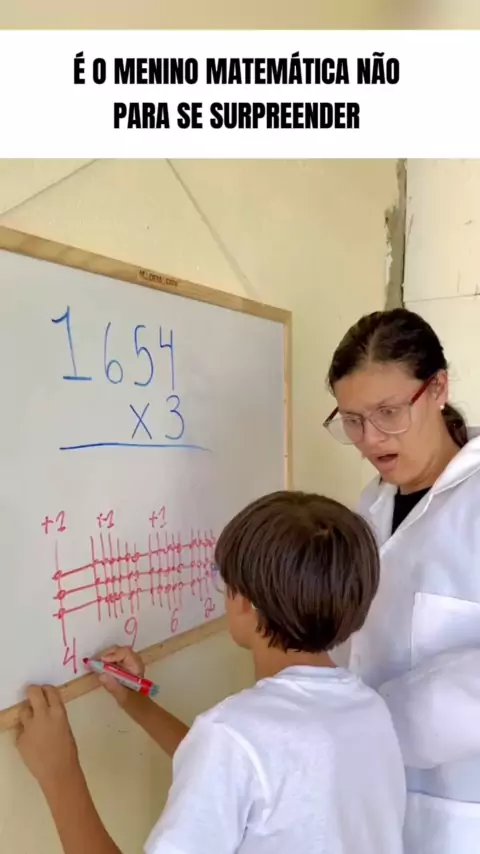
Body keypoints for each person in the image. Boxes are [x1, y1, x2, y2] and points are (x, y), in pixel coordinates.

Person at [16, 490, 406, 854]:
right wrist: (135, 702)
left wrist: (59, 774)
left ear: (244, 602)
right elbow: (243, 769)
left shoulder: (232, 735)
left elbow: (235, 757)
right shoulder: (368, 709)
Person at [324, 307, 480, 854]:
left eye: (388, 412)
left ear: (437, 388)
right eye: (352, 420)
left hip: (460, 813)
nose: (370, 439)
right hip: (374, 800)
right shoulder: (371, 504)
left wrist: (374, 724)